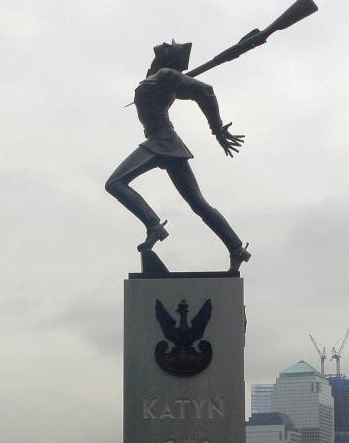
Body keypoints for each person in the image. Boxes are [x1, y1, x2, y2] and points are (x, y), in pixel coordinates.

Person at [105, 40, 250, 272]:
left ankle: (154, 225)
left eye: (165, 48)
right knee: (199, 204)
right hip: (166, 143)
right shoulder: (160, 78)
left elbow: (205, 91)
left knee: (115, 183)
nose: (161, 46)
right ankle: (236, 248)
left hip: (161, 141)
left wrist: (217, 129)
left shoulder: (165, 75)